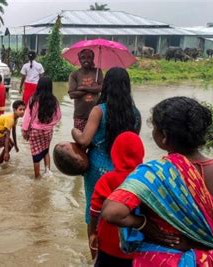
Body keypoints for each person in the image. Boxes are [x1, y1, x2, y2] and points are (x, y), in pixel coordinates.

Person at [102, 97, 213, 266]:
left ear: (164, 136)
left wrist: (143, 224)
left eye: (155, 129)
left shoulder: (153, 174)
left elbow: (111, 212)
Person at [71, 67, 141, 252]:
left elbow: (84, 140)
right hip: (126, 172)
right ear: (127, 87)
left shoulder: (99, 110)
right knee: (121, 210)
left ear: (106, 86)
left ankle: (94, 254)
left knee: (94, 211)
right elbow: (133, 146)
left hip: (98, 169)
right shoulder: (135, 113)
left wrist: (75, 132)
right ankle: (119, 250)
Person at [88, 131, 144, 266]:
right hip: (137, 247)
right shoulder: (145, 179)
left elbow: (94, 210)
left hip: (108, 245)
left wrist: (92, 233)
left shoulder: (107, 179)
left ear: (114, 153)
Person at [21, 77, 62, 178]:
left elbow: (27, 116)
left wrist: (24, 130)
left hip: (35, 131)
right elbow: (58, 116)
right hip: (48, 131)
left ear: (38, 85)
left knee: (36, 155)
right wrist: (50, 125)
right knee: (45, 151)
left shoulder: (33, 99)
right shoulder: (54, 100)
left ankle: (37, 177)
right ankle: (47, 172)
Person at [68, 49, 103, 132]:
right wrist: (93, 89)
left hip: (96, 115)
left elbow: (103, 88)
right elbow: (72, 94)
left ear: (93, 59)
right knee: (80, 142)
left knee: (94, 142)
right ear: (79, 59)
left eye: (89, 57)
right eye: (83, 57)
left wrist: (83, 88)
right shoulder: (74, 75)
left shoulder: (97, 72)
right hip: (80, 116)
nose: (86, 60)